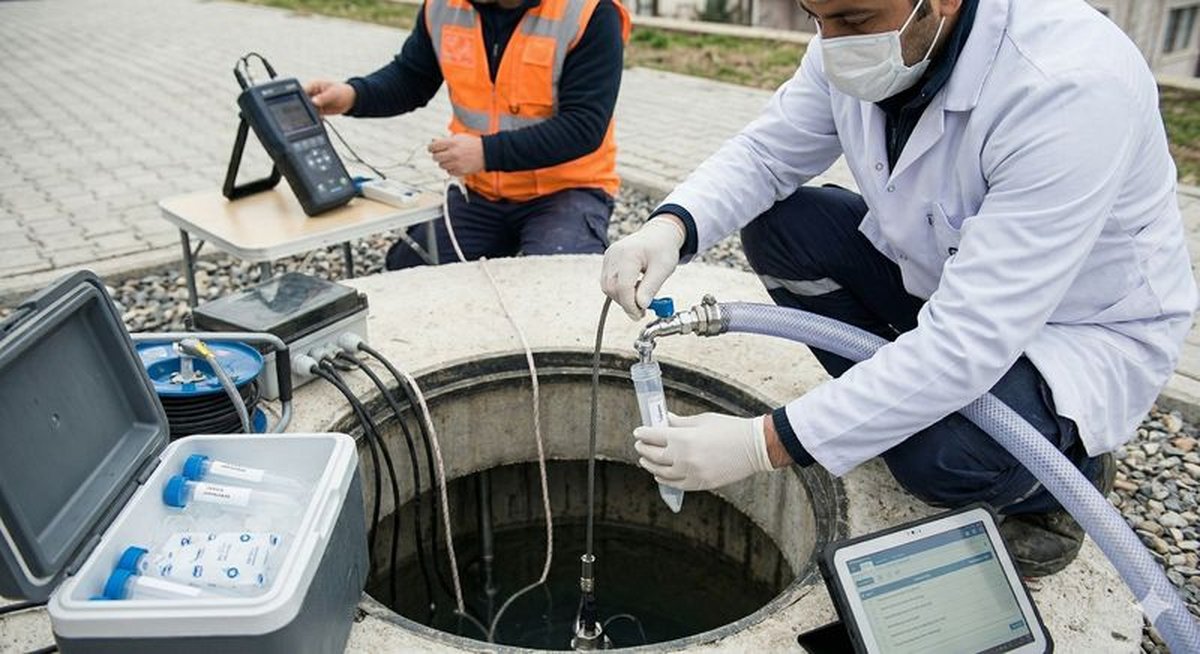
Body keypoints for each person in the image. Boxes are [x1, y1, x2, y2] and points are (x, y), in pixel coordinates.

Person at [601, 0, 1197, 576]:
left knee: (940, 460)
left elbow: (970, 338)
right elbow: (765, 155)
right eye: (818, 19)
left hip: (1077, 329)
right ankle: (899, 403)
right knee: (784, 231)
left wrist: (765, 443)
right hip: (952, 281)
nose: (834, 45)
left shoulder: (1067, 87)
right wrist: (668, 228)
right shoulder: (867, 40)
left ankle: (1066, 472)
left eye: (855, 20)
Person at [306, 0, 630, 270]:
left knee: (557, 281)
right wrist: (351, 95)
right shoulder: (445, 7)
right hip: (481, 193)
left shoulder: (588, 11)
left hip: (566, 191)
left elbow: (584, 125)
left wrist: (486, 153)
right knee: (409, 270)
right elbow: (411, 77)